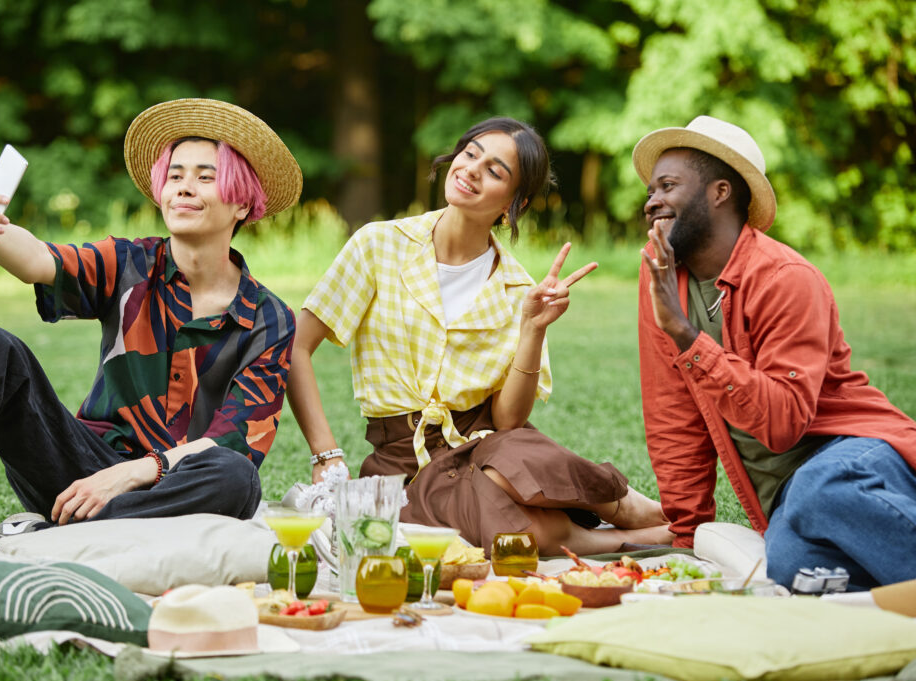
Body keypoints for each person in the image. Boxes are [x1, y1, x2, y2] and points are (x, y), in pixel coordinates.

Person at [0, 98, 301, 550]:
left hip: (176, 489)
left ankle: (36, 540)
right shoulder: (128, 263)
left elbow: (234, 443)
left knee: (236, 477)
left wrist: (132, 474)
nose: (184, 187)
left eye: (206, 177)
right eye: (175, 175)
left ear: (242, 204)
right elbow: (39, 260)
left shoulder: (269, 317)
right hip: (75, 473)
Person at [288, 117, 672, 555]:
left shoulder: (518, 287)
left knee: (514, 455)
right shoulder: (378, 246)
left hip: (488, 445)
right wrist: (325, 455)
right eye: (470, 153)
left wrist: (531, 328)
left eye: (494, 170)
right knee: (514, 534)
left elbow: (507, 421)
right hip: (402, 465)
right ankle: (627, 537)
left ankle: (633, 509)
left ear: (515, 201)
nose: (470, 169)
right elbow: (297, 347)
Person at [635, 115, 916, 589]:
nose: (652, 202)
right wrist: (687, 537)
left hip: (859, 457)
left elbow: (784, 425)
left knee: (820, 488)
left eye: (667, 186)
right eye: (649, 191)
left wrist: (686, 337)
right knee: (789, 562)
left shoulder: (786, 277)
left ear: (719, 192)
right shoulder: (662, 280)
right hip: (792, 498)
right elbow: (672, 417)